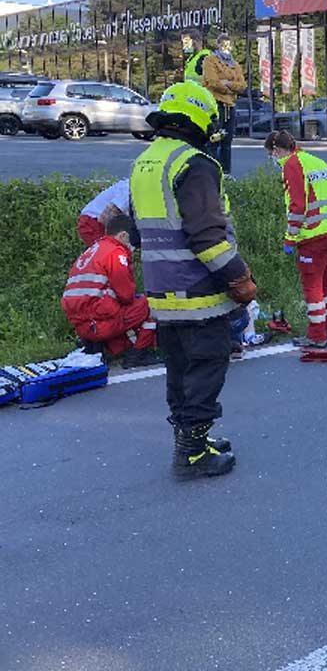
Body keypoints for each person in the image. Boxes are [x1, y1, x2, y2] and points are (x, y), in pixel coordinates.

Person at [130, 80, 256, 479]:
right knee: (206, 368)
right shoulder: (195, 164)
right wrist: (240, 278)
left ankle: (190, 439)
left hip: (161, 292)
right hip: (199, 293)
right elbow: (207, 238)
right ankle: (193, 453)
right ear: (201, 119)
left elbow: (136, 232)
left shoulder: (147, 161)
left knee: (181, 370)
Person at [265, 130, 327, 349]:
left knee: (312, 285)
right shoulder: (316, 161)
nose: (273, 159)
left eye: (271, 154)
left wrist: (290, 238)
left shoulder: (292, 165)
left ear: (276, 150)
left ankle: (316, 335)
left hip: (316, 234)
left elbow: (298, 206)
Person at [61, 213, 159, 368]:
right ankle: (138, 354)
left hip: (83, 325)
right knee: (154, 304)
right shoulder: (116, 253)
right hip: (99, 324)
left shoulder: (93, 250)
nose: (133, 245)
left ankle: (104, 346)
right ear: (123, 235)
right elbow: (126, 296)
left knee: (127, 305)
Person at [202, 33, 247, 174]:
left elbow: (242, 85)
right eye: (223, 44)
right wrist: (230, 88)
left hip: (230, 105)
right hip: (215, 104)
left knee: (227, 142)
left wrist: (227, 84)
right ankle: (212, 173)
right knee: (214, 140)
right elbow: (212, 82)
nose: (226, 48)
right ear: (218, 45)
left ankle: (226, 173)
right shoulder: (210, 60)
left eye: (228, 45)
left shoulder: (234, 65)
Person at [77, 178, 131, 245]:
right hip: (93, 222)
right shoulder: (128, 191)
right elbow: (105, 217)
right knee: (108, 248)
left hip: (96, 221)